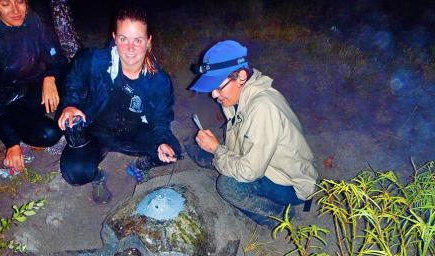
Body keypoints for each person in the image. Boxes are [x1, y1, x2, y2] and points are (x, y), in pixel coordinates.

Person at [58, 7, 181, 204]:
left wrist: (161, 141)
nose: (130, 48)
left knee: (171, 150)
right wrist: (70, 105)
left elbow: (161, 117)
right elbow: (73, 81)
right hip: (97, 131)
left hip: (133, 133)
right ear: (114, 37)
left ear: (149, 41)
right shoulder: (93, 60)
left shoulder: (159, 80)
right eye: (123, 39)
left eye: (138, 40)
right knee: (74, 172)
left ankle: (140, 166)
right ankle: (97, 177)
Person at [189, 40, 318, 227]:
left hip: (292, 185)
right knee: (206, 154)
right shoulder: (240, 100)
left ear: (241, 76)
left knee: (228, 186)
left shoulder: (262, 107)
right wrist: (215, 151)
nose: (214, 95)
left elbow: (248, 172)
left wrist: (217, 150)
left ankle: (279, 218)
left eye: (218, 87)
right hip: (264, 165)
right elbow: (240, 149)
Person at [0, 0, 68, 172]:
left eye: (20, 1)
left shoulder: (33, 20)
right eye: (5, 4)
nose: (15, 10)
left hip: (35, 85)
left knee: (80, 81)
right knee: (49, 134)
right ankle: (24, 127)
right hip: (10, 101)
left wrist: (50, 77)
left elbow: (58, 59)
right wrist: (11, 142)